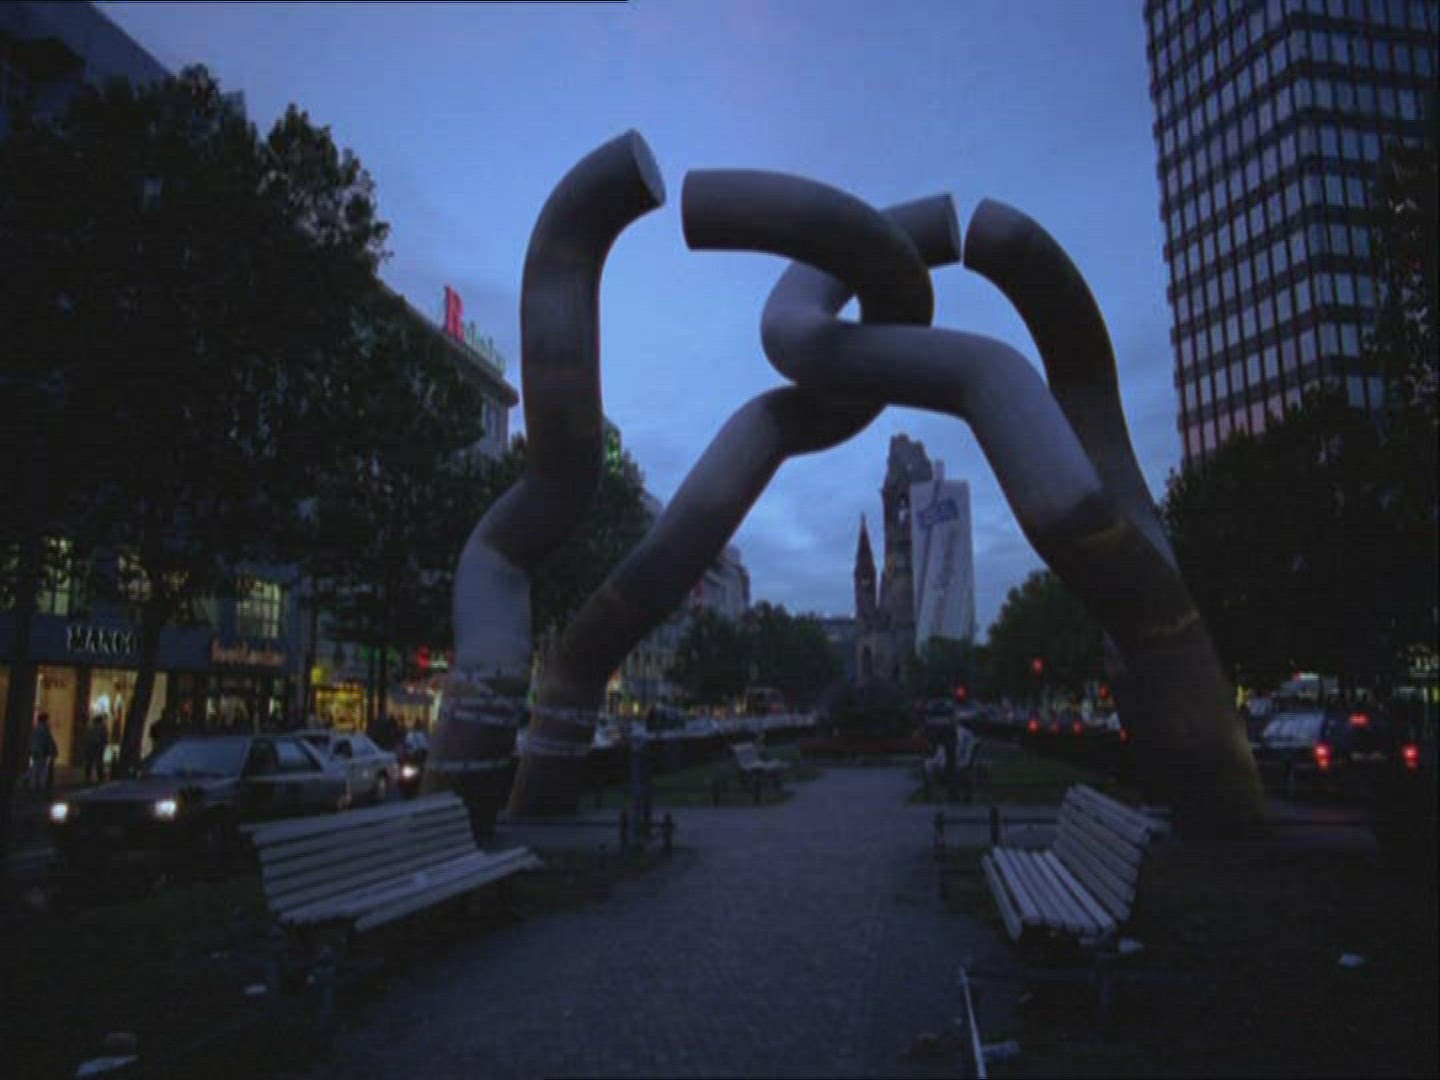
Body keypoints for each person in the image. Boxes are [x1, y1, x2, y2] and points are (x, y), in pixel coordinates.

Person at [29, 713, 58, 793]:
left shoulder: (36, 728)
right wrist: (53, 751)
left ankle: (34, 784)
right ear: (45, 719)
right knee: (41, 768)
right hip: (41, 751)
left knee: (36, 767)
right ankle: (38, 785)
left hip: (36, 750)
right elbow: (47, 741)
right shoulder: (44, 729)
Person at [83, 713, 109, 785]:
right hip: (97, 747)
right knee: (98, 762)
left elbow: (86, 737)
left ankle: (87, 777)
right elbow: (104, 737)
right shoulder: (102, 728)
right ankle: (99, 777)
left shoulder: (90, 727)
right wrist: (104, 744)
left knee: (89, 762)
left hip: (90, 747)